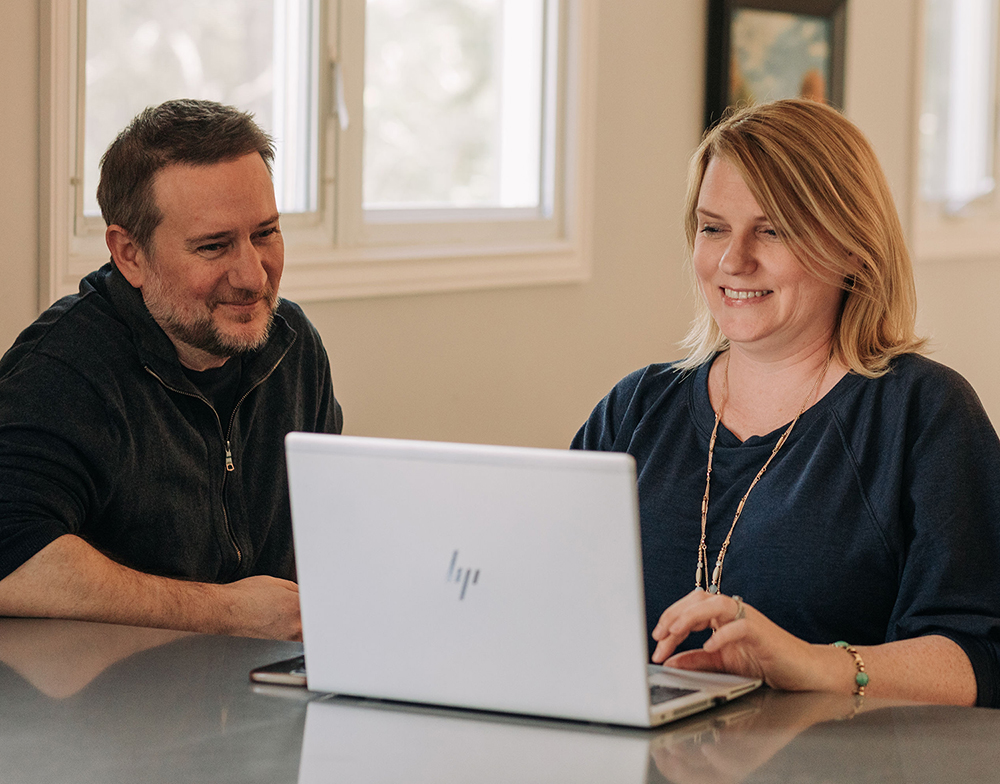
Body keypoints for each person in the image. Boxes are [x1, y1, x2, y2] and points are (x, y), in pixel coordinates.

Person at [572, 99, 1000, 707]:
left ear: (854, 249)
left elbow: (980, 659)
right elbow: (546, 602)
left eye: (772, 230)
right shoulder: (634, 409)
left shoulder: (923, 414)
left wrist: (808, 662)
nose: (732, 260)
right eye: (713, 227)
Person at [0, 100, 343, 640]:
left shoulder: (293, 346)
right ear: (130, 254)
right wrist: (227, 613)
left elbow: (334, 528)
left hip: (270, 691)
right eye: (213, 246)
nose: (254, 277)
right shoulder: (64, 371)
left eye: (265, 233)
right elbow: (11, 559)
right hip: (111, 706)